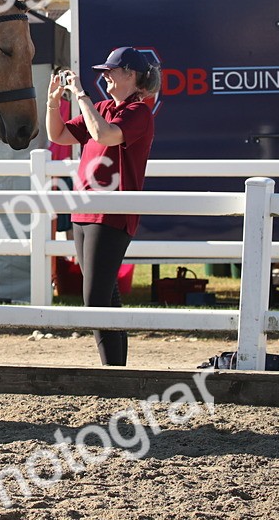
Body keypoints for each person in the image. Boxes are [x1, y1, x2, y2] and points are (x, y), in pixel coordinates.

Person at [46, 46, 160, 366]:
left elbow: (104, 134)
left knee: (95, 299)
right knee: (105, 295)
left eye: (111, 70)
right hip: (85, 209)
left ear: (131, 75)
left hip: (111, 213)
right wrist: (53, 100)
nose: (105, 76)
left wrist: (80, 94)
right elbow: (58, 134)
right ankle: (116, 371)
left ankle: (112, 371)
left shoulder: (138, 112)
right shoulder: (103, 107)